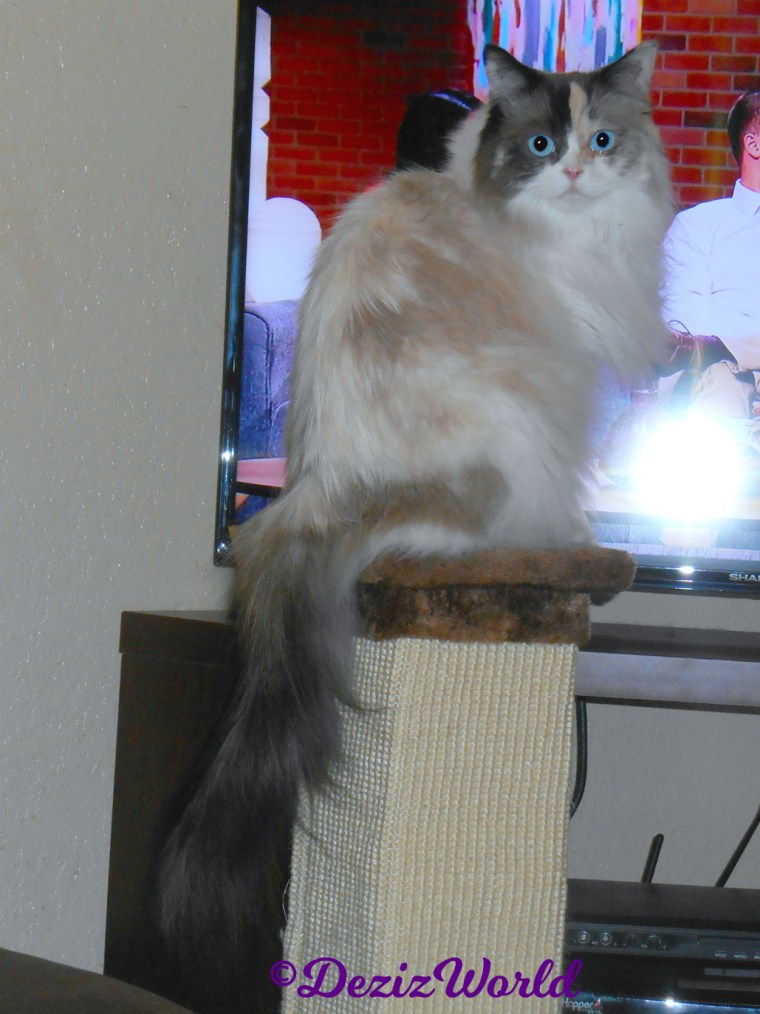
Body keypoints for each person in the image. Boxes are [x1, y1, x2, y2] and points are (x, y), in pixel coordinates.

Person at [661, 89, 760, 421]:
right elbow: (692, 332)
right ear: (754, 144)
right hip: (726, 378)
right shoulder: (698, 227)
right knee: (719, 378)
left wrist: (734, 335)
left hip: (731, 359)